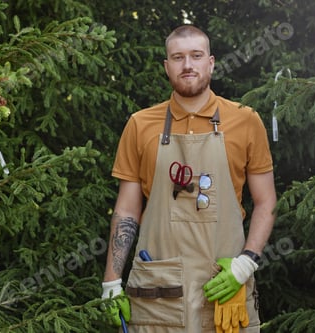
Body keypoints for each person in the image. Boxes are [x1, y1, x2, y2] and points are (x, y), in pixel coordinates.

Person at [101, 24, 276, 333]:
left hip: (223, 286)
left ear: (210, 62)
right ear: (167, 67)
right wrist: (111, 280)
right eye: (178, 57)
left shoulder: (246, 120)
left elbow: (266, 202)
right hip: (159, 297)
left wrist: (246, 263)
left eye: (196, 55)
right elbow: (127, 210)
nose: (188, 65)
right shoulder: (140, 125)